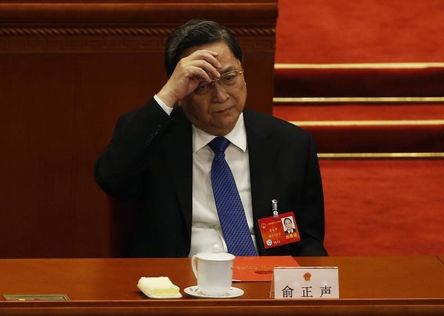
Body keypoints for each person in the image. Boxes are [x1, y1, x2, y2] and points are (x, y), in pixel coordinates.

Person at [95, 19, 327, 257]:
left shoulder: (291, 144)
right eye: (202, 86)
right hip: (178, 283)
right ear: (182, 92)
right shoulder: (154, 139)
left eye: (229, 78)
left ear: (243, 72)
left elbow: (308, 240)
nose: (221, 96)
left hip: (263, 282)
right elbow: (111, 178)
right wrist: (168, 94)